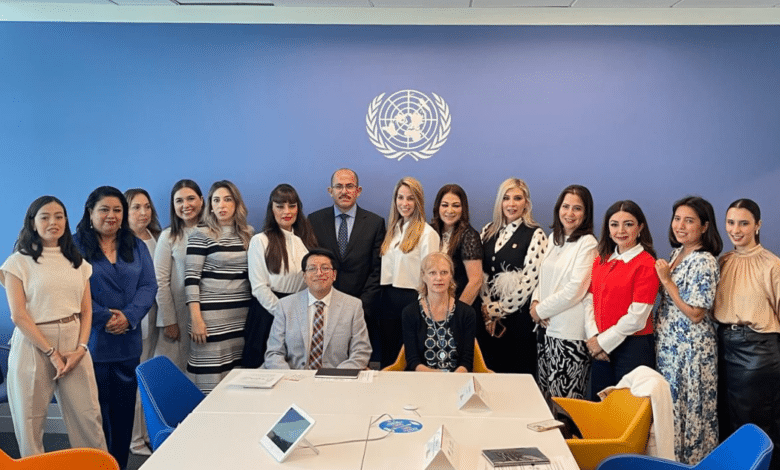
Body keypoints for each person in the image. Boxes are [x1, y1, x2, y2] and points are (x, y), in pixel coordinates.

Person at [0, 196, 107, 457]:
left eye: (59, 216)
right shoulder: (17, 262)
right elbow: (19, 316)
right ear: (33, 223)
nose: (53, 222)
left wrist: (81, 348)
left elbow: (86, 310)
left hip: (74, 342)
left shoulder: (78, 263)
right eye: (45, 217)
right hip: (33, 342)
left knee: (88, 418)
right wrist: (51, 354)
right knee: (30, 423)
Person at [74, 186, 157, 470]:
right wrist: (104, 317)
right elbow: (71, 290)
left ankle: (118, 465)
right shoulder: (74, 247)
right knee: (95, 417)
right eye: (104, 210)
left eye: (117, 210)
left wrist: (128, 316)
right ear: (90, 213)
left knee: (122, 418)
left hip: (128, 342)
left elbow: (149, 285)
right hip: (92, 343)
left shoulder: (136, 245)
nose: (111, 216)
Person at [654, 196, 722, 464]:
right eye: (677, 219)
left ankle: (694, 465)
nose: (680, 226)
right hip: (670, 349)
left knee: (692, 413)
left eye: (689, 220)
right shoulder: (677, 254)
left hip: (691, 351)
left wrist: (667, 282)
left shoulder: (704, 261)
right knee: (673, 412)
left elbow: (696, 313)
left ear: (705, 226)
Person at [714, 198, 780, 470]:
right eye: (731, 222)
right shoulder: (723, 261)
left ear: (758, 225)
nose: (736, 229)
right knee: (726, 420)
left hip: (758, 351)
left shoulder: (772, 264)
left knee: (755, 424)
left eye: (744, 223)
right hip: (723, 343)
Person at [585, 200, 658, 400]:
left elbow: (637, 317)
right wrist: (595, 337)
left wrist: (603, 342)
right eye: (614, 224)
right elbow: (589, 300)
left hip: (632, 348)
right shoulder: (601, 259)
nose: (621, 230)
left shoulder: (646, 263)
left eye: (628, 224)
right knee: (599, 406)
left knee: (625, 409)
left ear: (640, 227)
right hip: (600, 346)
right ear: (608, 229)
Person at [309, 169, 386, 359]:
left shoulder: (375, 223)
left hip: (363, 310)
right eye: (339, 186)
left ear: (358, 190)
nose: (344, 191)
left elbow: (377, 270)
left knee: (359, 364)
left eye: (349, 186)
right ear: (330, 191)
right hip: (324, 309)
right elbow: (312, 267)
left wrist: (360, 305)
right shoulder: (314, 221)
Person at [185, 180, 253, 393]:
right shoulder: (200, 234)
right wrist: (196, 319)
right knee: (211, 379)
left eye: (227, 199)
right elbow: (191, 279)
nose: (222, 205)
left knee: (236, 378)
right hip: (210, 319)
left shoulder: (248, 233)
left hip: (241, 317)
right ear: (210, 206)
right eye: (216, 200)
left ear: (236, 203)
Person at [530, 184, 597, 398]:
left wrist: (540, 311)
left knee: (565, 403)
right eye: (565, 206)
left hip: (570, 335)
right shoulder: (553, 239)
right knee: (546, 398)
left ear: (586, 214)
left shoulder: (588, 244)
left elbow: (576, 289)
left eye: (577, 208)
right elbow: (542, 278)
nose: (569, 213)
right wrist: (535, 303)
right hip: (546, 331)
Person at [243, 184, 318, 368]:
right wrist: (284, 315)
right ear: (272, 209)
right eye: (280, 206)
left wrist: (297, 316)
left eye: (292, 206)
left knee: (296, 370)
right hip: (267, 315)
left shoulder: (307, 240)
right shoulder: (260, 240)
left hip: (299, 313)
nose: (287, 211)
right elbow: (259, 288)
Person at [478, 178, 546, 374]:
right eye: (506, 198)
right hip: (488, 323)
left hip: (518, 323)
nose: (511, 203)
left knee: (518, 378)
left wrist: (498, 309)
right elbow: (481, 275)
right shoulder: (487, 231)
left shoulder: (535, 234)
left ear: (526, 203)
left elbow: (529, 281)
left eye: (517, 198)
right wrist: (487, 311)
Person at [264, 248, 371, 370]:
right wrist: (290, 379)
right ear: (304, 276)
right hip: (295, 379)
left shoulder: (353, 306)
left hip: (336, 380)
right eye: (312, 268)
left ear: (334, 275)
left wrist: (335, 378)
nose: (319, 273)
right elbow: (274, 353)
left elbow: (361, 352)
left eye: (325, 268)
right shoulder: (285, 305)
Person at [379, 177, 440, 368]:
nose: (404, 203)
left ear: (418, 202)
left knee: (409, 358)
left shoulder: (427, 234)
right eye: (400, 198)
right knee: (389, 358)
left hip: (412, 300)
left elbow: (432, 276)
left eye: (410, 198)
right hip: (387, 298)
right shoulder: (393, 230)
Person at [125, 188, 162, 456]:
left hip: (159, 317)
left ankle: (149, 432)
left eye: (147, 207)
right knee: (135, 380)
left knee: (151, 378)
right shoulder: (121, 243)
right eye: (136, 207)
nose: (143, 213)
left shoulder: (157, 237)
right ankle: (135, 438)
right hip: (135, 320)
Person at [153, 179, 204, 371]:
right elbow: (160, 281)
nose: (186, 205)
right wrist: (169, 321)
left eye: (191, 198)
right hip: (179, 315)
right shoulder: (168, 236)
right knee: (180, 369)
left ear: (201, 200)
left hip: (210, 312)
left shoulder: (213, 232)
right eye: (179, 201)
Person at [401, 252, 476, 372]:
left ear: (451, 275)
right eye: (432, 273)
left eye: (444, 272)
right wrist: (436, 377)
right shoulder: (410, 313)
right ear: (423, 276)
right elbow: (413, 361)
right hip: (423, 380)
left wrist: (452, 381)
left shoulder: (467, 313)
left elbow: (466, 361)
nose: (439, 278)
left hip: (456, 380)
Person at [431, 184, 483, 306]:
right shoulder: (431, 232)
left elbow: (476, 281)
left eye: (456, 205)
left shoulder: (469, 236)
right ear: (438, 207)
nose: (450, 210)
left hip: (461, 308)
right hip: (435, 308)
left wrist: (456, 312)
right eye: (445, 205)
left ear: (463, 209)